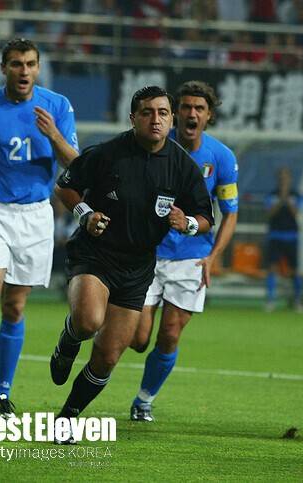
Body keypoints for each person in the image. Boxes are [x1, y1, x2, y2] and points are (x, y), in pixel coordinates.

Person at [49, 85, 214, 443]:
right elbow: (65, 187)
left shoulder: (182, 166)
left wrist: (187, 223)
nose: (156, 119)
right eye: (147, 112)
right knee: (88, 321)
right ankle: (69, 339)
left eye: (163, 113)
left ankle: (68, 417)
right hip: (95, 254)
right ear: (133, 118)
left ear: (171, 119)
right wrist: (86, 214)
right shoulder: (107, 153)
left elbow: (206, 217)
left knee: (108, 356)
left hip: (138, 267)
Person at [0, 38, 79, 421]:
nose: (24, 71)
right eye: (17, 64)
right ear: (4, 67)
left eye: (30, 64)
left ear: (38, 68)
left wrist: (54, 135)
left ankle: (1, 395)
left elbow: (76, 164)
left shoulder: (58, 106)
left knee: (15, 305)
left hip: (36, 216)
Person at [127, 81, 239, 423]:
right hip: (148, 252)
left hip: (192, 256)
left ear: (209, 115)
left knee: (170, 333)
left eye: (199, 108)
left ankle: (144, 400)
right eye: (186, 107)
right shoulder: (154, 144)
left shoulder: (221, 157)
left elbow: (230, 213)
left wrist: (213, 257)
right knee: (138, 338)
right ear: (176, 113)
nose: (192, 113)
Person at [264, 167, 303, 312]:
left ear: (290, 179)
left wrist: (287, 199)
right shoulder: (272, 195)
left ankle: (298, 300)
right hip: (275, 235)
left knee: (294, 270)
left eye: (286, 177)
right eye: (281, 177)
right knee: (272, 268)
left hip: (291, 236)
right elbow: (269, 214)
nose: (283, 180)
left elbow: (297, 213)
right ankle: (270, 300)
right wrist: (281, 200)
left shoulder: (296, 195)